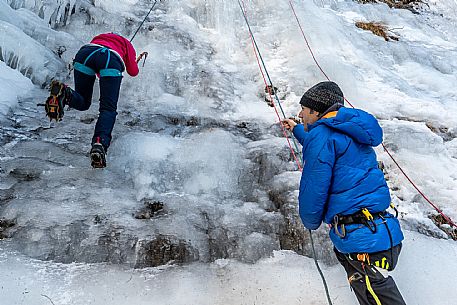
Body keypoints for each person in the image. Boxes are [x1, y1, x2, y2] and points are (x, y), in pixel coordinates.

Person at [282, 81, 406, 305]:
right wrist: (296, 129)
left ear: (317, 111)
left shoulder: (322, 136)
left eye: (304, 109)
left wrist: (310, 221)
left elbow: (314, 185)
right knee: (375, 292)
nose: (300, 114)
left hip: (359, 235)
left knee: (376, 295)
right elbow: (328, 143)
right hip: (378, 227)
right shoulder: (348, 130)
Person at [45, 32, 147, 168]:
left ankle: (65, 92)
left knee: (83, 101)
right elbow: (133, 72)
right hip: (111, 58)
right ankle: (99, 144)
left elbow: (97, 61)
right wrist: (134, 61)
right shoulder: (127, 44)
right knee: (108, 109)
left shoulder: (101, 37)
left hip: (85, 53)